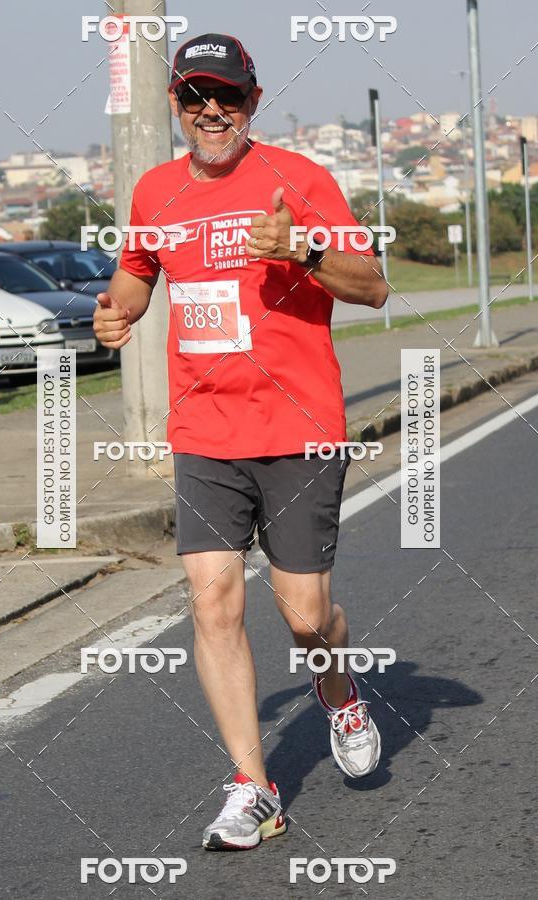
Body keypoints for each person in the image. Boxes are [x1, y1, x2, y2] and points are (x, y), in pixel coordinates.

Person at [93, 32, 388, 851]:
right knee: (213, 601)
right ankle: (254, 787)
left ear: (253, 100)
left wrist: (303, 247)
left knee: (305, 617)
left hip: (298, 428)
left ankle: (338, 690)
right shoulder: (155, 190)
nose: (211, 110)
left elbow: (373, 286)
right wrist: (118, 311)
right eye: (195, 96)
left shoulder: (301, 179)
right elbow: (137, 271)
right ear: (175, 105)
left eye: (227, 95)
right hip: (204, 429)